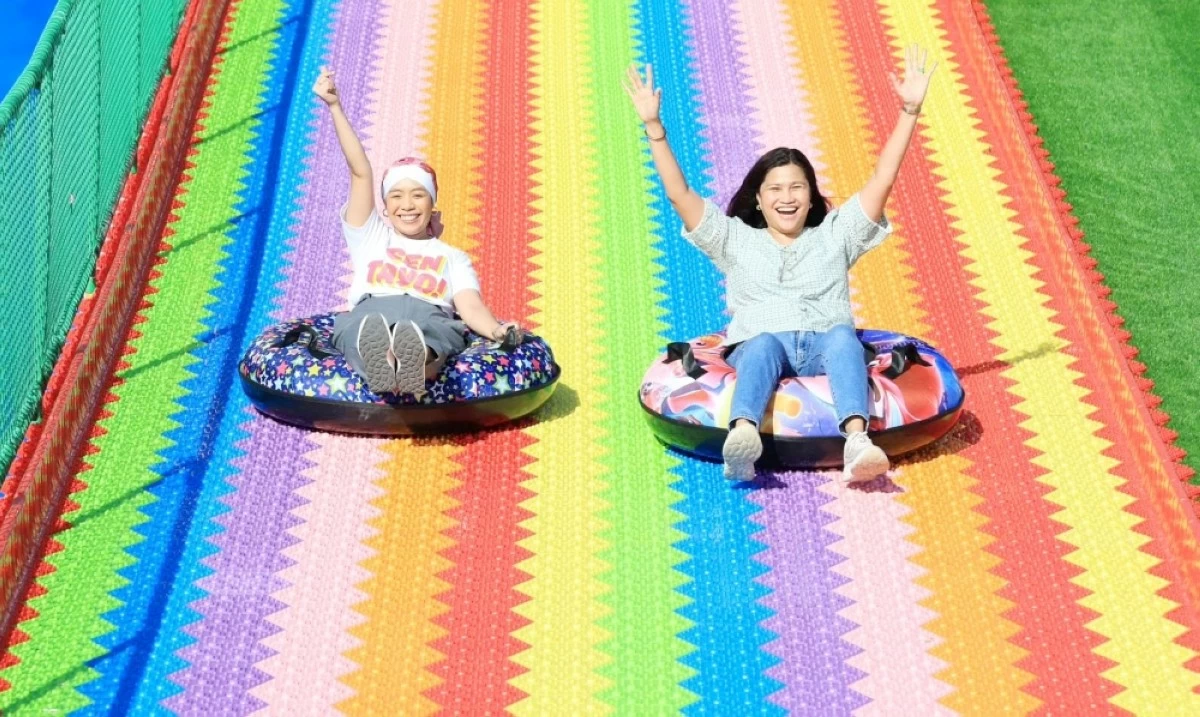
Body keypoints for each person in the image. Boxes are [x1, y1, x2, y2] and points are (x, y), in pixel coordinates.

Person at [623, 45, 938, 482]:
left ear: (811, 197)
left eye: (797, 188)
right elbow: (681, 197)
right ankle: (744, 433)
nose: (786, 198)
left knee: (844, 338)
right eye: (775, 189)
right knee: (764, 344)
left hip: (825, 345)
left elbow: (882, 180)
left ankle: (857, 440)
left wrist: (909, 110)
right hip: (763, 343)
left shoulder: (835, 234)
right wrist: (654, 127)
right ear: (758, 197)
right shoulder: (735, 239)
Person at [312, 68, 519, 397]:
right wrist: (335, 107)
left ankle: (408, 363)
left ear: (432, 204)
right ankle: (386, 360)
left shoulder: (452, 257)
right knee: (357, 328)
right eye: (396, 195)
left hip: (428, 314)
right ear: (385, 206)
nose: (407, 204)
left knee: (434, 333)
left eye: (417, 194)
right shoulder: (372, 238)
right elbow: (360, 172)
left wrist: (496, 329)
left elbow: (470, 307)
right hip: (373, 311)